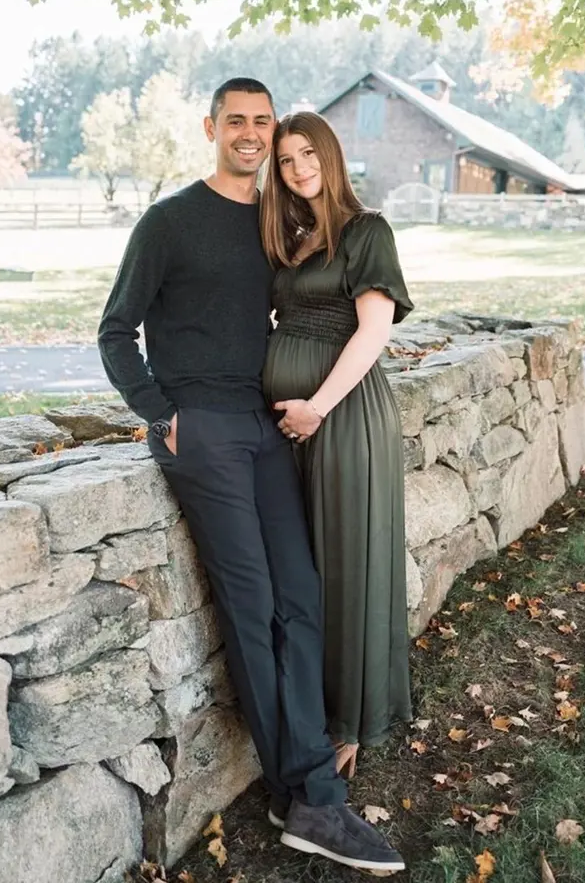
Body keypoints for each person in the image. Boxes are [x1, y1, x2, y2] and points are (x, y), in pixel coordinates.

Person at [98, 78, 405, 875]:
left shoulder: (276, 223)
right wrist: (161, 413)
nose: (250, 133)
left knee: (300, 597)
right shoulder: (169, 222)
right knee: (254, 606)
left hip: (267, 427)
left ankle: (299, 781)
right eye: (235, 120)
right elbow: (114, 330)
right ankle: (311, 797)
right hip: (203, 430)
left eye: (262, 122)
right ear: (211, 128)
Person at [260, 111, 414, 778]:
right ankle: (312, 705)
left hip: (343, 418)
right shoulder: (292, 240)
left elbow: (373, 331)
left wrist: (316, 407)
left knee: (346, 566)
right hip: (293, 426)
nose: (299, 169)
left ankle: (348, 721)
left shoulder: (366, 231)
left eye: (308, 154)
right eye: (286, 159)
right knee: (306, 571)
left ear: (331, 154)